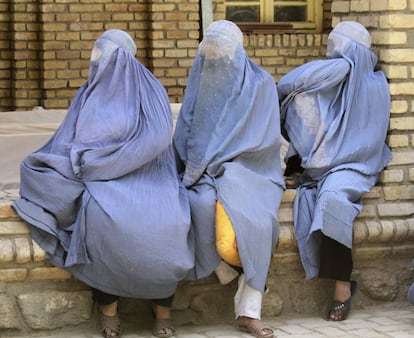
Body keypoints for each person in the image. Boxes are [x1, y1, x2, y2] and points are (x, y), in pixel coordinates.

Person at [12, 29, 194, 338]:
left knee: (168, 224)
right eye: (95, 56)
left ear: (124, 59)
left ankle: (162, 308)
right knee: (97, 218)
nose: (97, 63)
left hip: (148, 178)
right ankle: (108, 309)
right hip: (97, 178)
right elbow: (69, 138)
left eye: (105, 57)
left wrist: (105, 164)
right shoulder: (87, 92)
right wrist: (81, 163)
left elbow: (157, 139)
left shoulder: (150, 90)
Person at [173, 20, 285, 338]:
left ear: (237, 54)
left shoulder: (261, 84)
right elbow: (187, 131)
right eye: (210, 57)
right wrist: (193, 167)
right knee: (198, 203)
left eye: (223, 56)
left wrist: (225, 161)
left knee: (258, 220)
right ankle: (225, 271)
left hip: (251, 169)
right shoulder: (201, 79)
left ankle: (249, 310)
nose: (216, 63)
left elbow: (264, 140)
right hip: (202, 169)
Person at [277, 21, 392, 321]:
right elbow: (288, 87)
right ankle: (303, 173)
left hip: (354, 165)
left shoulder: (375, 87)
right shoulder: (328, 81)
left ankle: (342, 287)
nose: (334, 54)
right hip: (320, 166)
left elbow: (367, 141)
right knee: (300, 99)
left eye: (341, 48)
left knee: (331, 201)